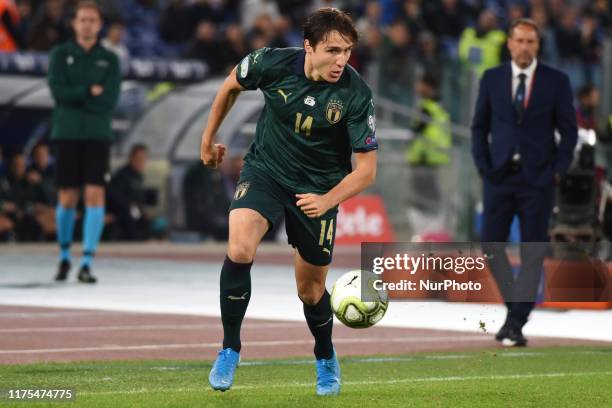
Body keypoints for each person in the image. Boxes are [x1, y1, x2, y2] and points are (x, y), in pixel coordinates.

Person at [200, 8, 377, 395]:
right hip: (266, 171)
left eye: (347, 51)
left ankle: (326, 356)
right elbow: (230, 85)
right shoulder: (271, 63)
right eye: (333, 50)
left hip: (319, 189)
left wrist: (326, 199)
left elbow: (366, 171)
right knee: (239, 246)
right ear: (308, 46)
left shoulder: (355, 93)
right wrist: (207, 140)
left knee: (311, 291)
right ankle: (230, 348)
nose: (341, 60)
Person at [471, 18, 577, 347]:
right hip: (499, 177)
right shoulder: (491, 78)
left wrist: (556, 170)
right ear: (509, 43)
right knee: (491, 246)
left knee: (532, 252)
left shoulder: (556, 81)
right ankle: (516, 311)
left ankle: (516, 322)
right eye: (519, 40)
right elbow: (479, 127)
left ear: (538, 46)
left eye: (531, 41)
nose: (524, 47)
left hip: (538, 180)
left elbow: (569, 131)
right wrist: (484, 166)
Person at [47, 0, 121, 283]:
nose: (87, 24)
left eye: (92, 19)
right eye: (83, 19)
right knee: (67, 196)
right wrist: (88, 90)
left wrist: (77, 95)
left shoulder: (110, 59)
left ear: (99, 24)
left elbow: (109, 99)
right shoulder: (60, 54)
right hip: (66, 133)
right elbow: (57, 92)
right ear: (74, 23)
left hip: (97, 135)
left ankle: (87, 260)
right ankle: (64, 256)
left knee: (95, 194)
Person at [106, 144, 150, 241]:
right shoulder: (122, 175)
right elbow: (115, 196)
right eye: (139, 158)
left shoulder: (139, 177)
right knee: (131, 216)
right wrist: (130, 205)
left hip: (133, 209)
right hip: (121, 211)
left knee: (145, 219)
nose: (141, 162)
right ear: (131, 158)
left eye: (144, 159)